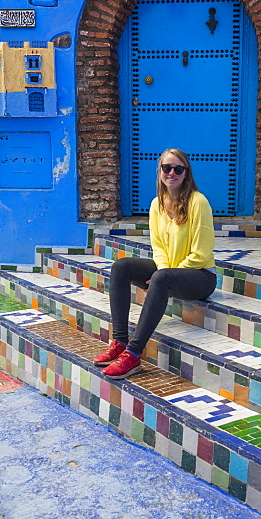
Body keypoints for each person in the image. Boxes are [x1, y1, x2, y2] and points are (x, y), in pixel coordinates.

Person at [93, 148, 217, 379]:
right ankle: (120, 341)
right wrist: (162, 274)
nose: (172, 173)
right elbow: (158, 247)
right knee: (121, 267)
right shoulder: (156, 204)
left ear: (186, 173)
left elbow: (201, 253)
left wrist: (165, 277)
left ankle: (133, 354)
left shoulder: (198, 202)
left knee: (162, 278)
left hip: (200, 277)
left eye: (178, 169)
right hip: (168, 273)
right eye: (167, 168)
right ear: (159, 171)